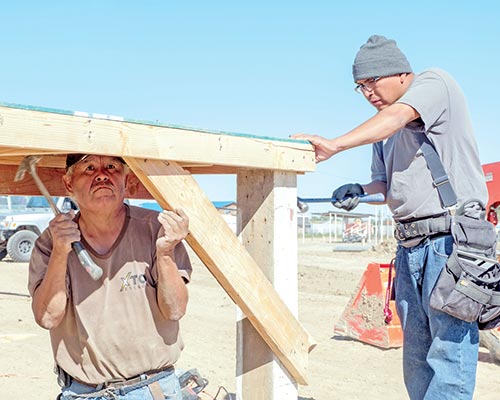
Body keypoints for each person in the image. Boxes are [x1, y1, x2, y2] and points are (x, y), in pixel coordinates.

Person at [294, 35, 488, 399]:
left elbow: (398, 116)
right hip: (410, 247)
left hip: (450, 242)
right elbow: (383, 186)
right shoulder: (380, 132)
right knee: (416, 357)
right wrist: (359, 191)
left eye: (373, 82)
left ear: (401, 74)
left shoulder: (434, 83)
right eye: (361, 87)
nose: (368, 93)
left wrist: (335, 145)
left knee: (449, 352)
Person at [28, 154, 192, 400]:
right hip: (84, 393)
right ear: (69, 184)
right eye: (89, 167)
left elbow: (175, 310)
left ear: (126, 180)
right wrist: (61, 252)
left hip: (153, 389)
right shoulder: (50, 243)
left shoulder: (156, 231)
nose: (102, 175)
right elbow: (48, 318)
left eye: (112, 167)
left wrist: (166, 253)